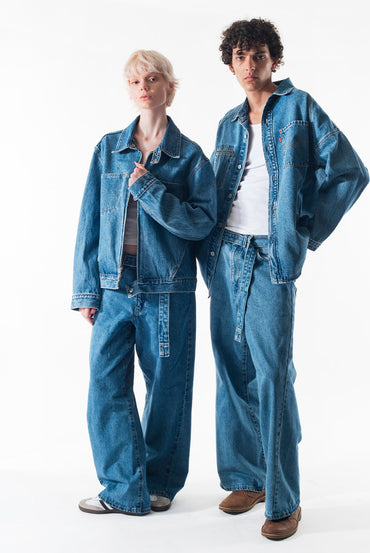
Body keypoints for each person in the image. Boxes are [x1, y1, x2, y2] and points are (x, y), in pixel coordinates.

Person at [199, 19, 369, 540]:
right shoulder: (228, 123)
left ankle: (284, 499)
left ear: (274, 60)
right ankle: (247, 478)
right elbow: (215, 191)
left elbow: (350, 171)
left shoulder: (300, 108)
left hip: (270, 257)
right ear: (230, 64)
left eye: (259, 55)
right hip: (225, 254)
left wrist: (304, 230)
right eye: (240, 56)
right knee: (233, 372)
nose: (250, 65)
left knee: (272, 375)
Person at [71, 50, 216, 515]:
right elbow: (90, 223)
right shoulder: (108, 149)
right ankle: (121, 489)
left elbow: (202, 223)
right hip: (114, 288)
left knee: (167, 389)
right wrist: (86, 291)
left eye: (152, 79)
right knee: (105, 385)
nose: (143, 88)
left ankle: (158, 485)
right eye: (135, 81)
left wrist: (149, 189)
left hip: (168, 291)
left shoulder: (189, 156)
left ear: (169, 87)